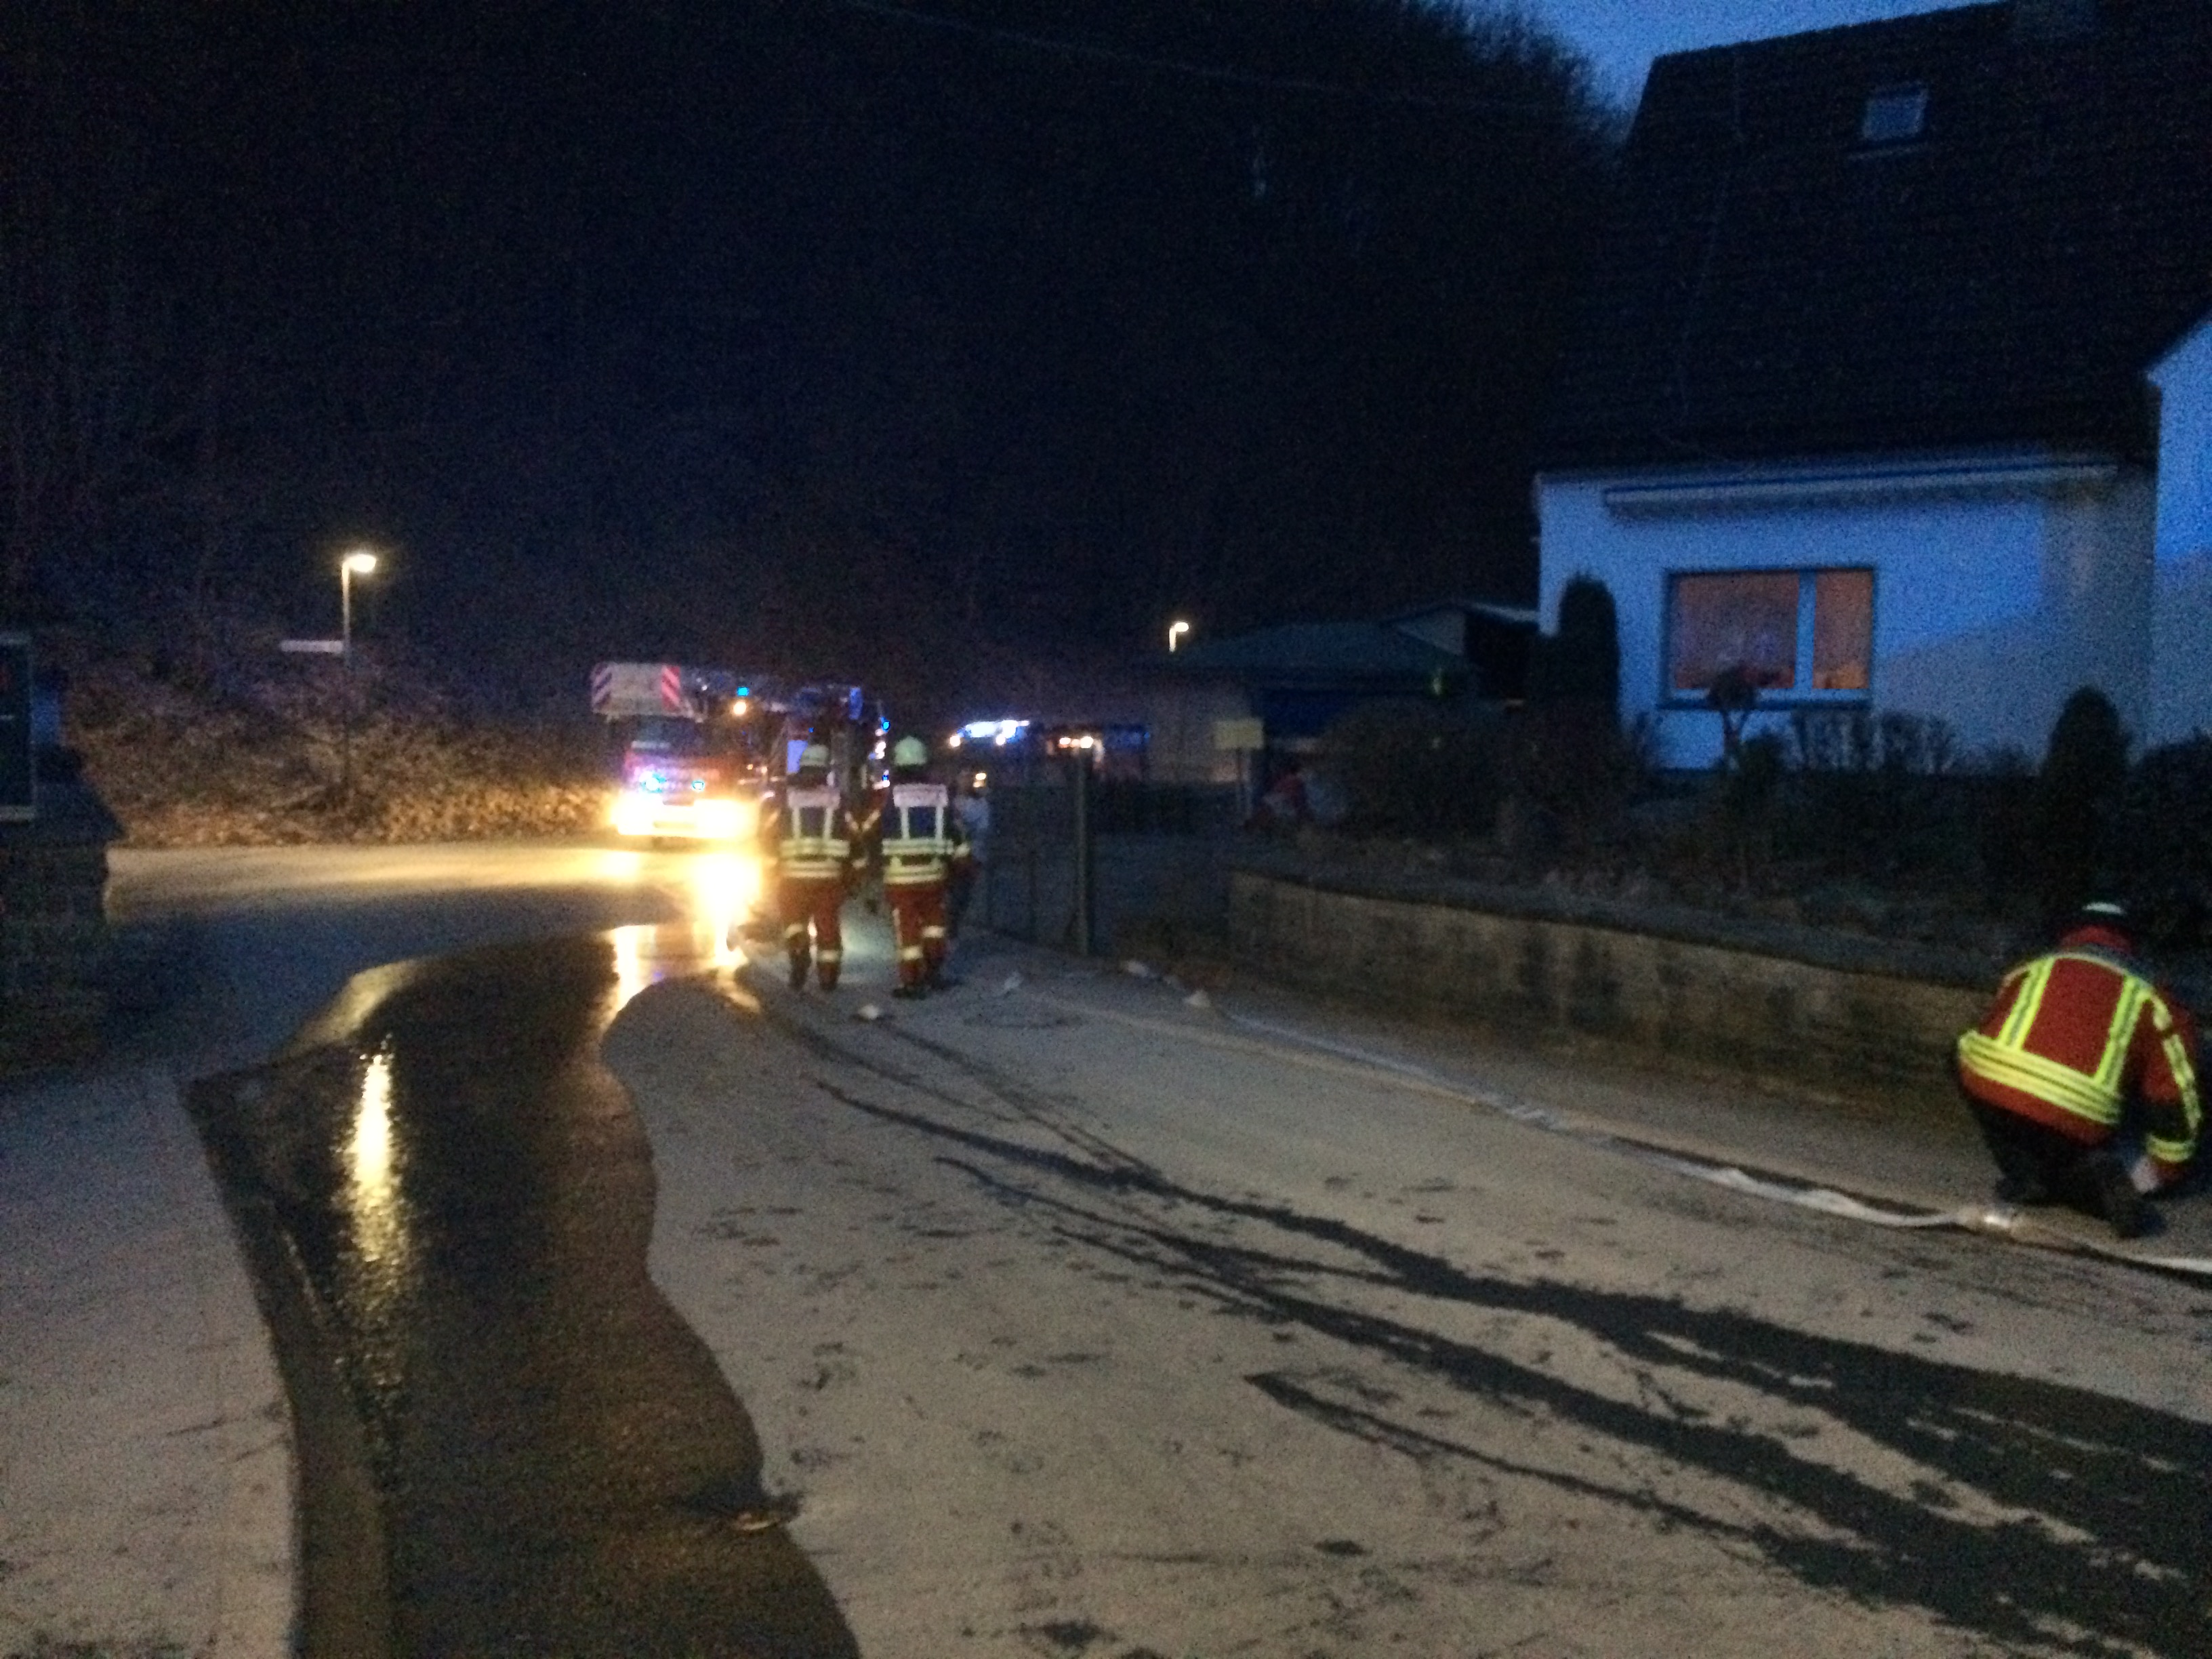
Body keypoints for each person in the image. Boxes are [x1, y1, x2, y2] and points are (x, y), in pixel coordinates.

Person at [1955, 900, 2203, 1239]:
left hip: (1996, 1083)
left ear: (2072, 932)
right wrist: (2165, 1172)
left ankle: (2027, 1176)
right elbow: (2172, 1095)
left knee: (1962, 1057)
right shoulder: (2155, 998)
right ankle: (2090, 1184)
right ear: (2131, 943)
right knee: (2075, 1146)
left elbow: (1992, 1025)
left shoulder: (2031, 968)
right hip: (2081, 1112)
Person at [857, 735, 970, 998]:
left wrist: (869, 869)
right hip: (935, 874)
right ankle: (934, 972)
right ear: (924, 765)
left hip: (901, 877)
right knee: (934, 924)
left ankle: (912, 982)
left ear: (898, 765)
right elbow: (957, 834)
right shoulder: (940, 796)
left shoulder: (888, 798)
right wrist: (962, 867)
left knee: (907, 927)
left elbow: (868, 831)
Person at [755, 742, 863, 992]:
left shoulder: (785, 800)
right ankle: (828, 978)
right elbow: (855, 838)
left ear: (802, 768)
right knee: (828, 926)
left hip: (793, 877)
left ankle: (799, 955)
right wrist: (855, 877)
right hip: (829, 877)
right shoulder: (838, 801)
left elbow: (768, 836)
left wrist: (770, 871)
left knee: (794, 922)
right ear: (825, 771)